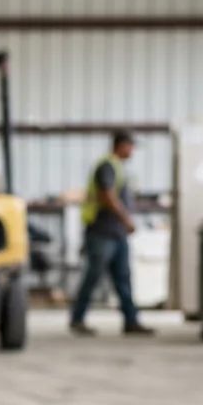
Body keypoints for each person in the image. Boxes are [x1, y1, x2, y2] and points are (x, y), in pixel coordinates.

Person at [70, 130, 154, 336]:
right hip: (102, 232)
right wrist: (126, 219)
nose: (132, 151)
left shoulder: (118, 168)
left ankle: (131, 321)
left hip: (117, 234)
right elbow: (106, 195)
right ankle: (77, 319)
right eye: (130, 146)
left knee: (123, 277)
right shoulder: (107, 166)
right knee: (93, 276)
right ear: (121, 145)